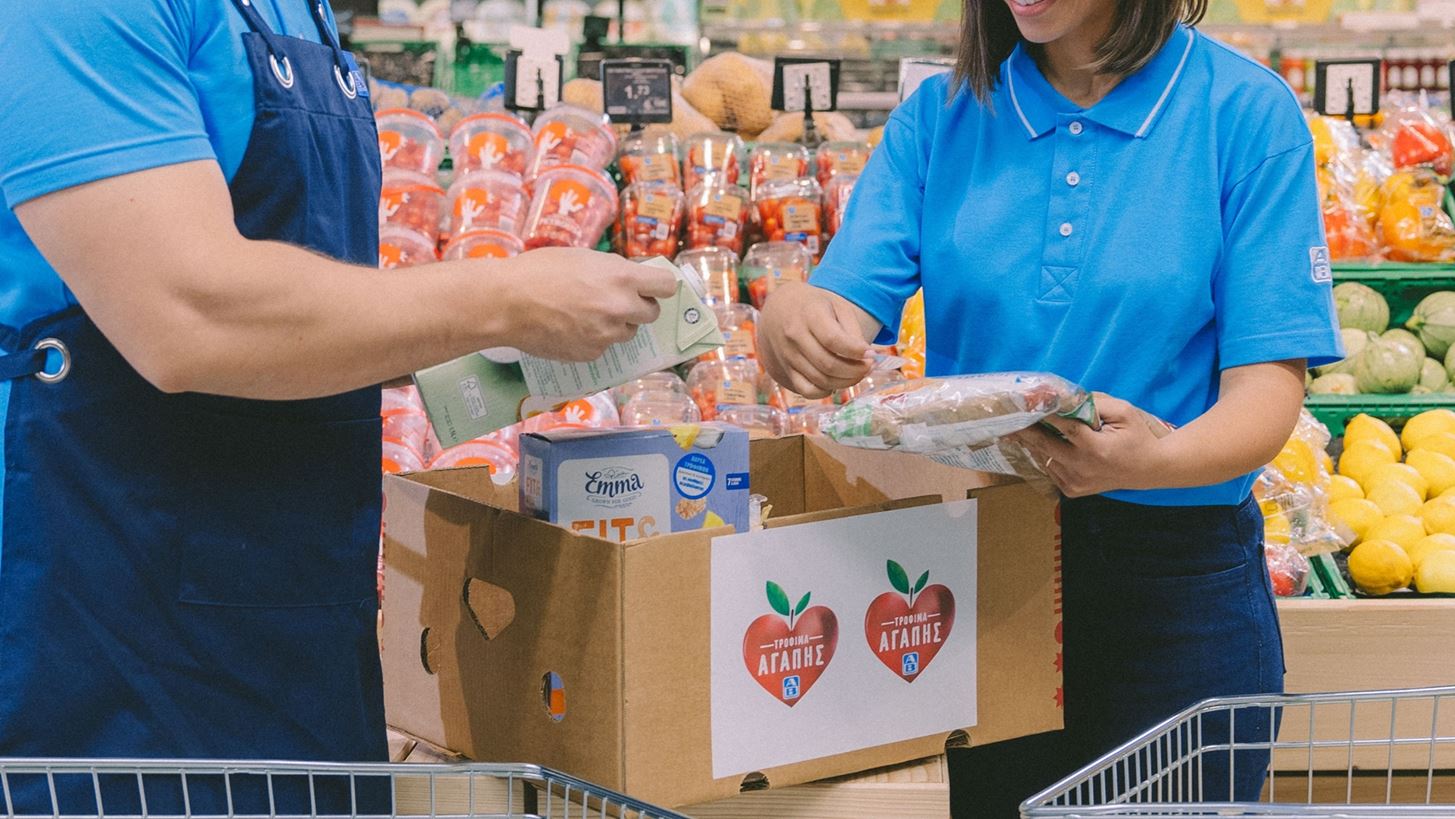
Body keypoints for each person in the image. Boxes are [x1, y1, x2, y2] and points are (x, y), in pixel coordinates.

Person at [0, 0, 674, 808]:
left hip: (295, 594)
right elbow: (185, 316)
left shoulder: (295, 11)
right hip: (107, 600)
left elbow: (306, 311)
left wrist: (502, 358)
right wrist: (500, 297)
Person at [759, 0, 1342, 813]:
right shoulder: (942, 115)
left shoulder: (1241, 111)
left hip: (1175, 585)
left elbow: (1268, 390)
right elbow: (840, 308)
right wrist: (793, 320)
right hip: (988, 568)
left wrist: (1156, 460)